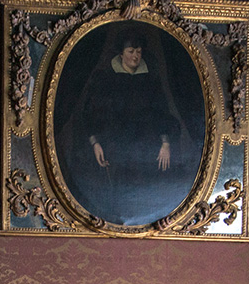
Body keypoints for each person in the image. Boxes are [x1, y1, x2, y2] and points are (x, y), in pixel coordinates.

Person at [56, 21, 201, 226]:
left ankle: (142, 223)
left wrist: (166, 143)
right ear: (121, 53)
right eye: (131, 51)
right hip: (113, 147)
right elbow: (90, 115)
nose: (135, 56)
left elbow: (162, 114)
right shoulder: (104, 79)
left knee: (147, 190)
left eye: (138, 52)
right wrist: (95, 143)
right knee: (114, 193)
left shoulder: (151, 80)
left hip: (147, 148)